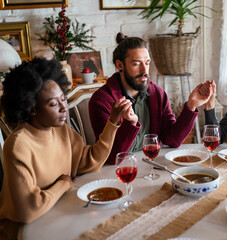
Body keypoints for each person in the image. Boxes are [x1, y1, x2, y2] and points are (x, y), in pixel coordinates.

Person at [0, 57, 130, 239]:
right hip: (22, 231)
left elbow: (91, 162)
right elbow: (28, 211)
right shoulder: (18, 146)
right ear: (32, 108)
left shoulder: (61, 131)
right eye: (53, 104)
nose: (64, 108)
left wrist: (113, 122)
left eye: (63, 99)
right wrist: (64, 184)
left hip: (57, 215)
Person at [89, 32, 214, 164]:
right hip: (116, 171)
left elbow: (172, 140)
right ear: (120, 65)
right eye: (136, 64)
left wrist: (191, 106)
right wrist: (131, 124)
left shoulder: (157, 94)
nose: (144, 70)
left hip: (151, 166)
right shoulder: (101, 101)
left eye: (147, 63)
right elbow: (111, 158)